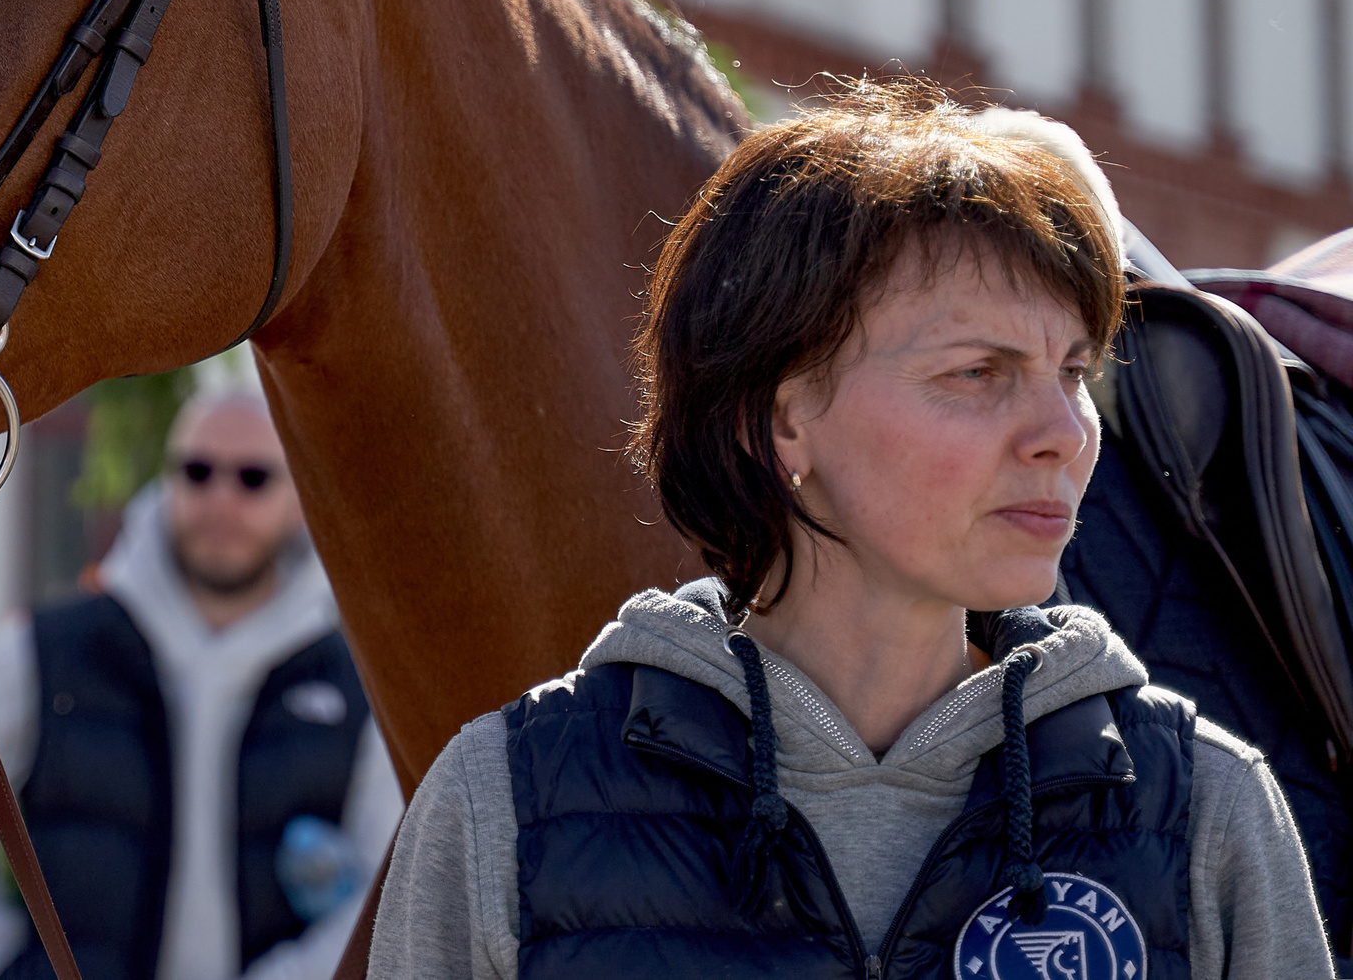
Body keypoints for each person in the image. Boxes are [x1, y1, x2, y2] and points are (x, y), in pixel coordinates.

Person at [368, 82, 1333, 979]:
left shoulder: (1206, 808)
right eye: (978, 373)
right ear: (780, 419)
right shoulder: (504, 805)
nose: (1064, 436)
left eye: (1074, 373)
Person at [0, 382, 402, 980]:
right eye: (198, 472)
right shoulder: (47, 650)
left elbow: (391, 880)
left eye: (253, 478)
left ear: (297, 498)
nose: (221, 498)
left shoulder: (359, 683)